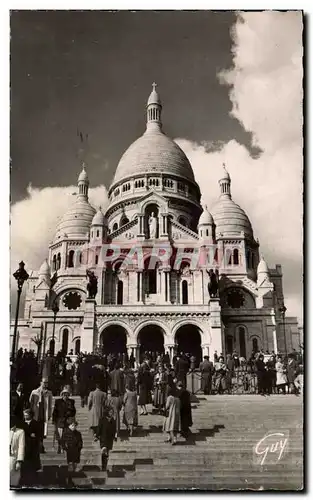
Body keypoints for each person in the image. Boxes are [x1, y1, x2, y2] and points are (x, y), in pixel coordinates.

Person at [29, 378, 53, 453]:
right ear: (41, 383)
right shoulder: (34, 392)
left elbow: (50, 405)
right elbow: (31, 402)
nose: (45, 384)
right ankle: (36, 447)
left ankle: (41, 447)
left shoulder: (49, 393)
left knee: (42, 432)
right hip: (36, 414)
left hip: (43, 414)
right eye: (44, 382)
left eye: (47, 382)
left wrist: (49, 414)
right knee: (35, 431)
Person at [20, 408, 41, 487]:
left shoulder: (35, 423)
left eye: (26, 415)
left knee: (33, 464)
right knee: (25, 464)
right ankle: (24, 480)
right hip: (24, 445)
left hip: (33, 446)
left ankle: (34, 480)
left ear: (31, 415)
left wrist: (35, 437)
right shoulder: (21, 423)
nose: (25, 416)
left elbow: (39, 434)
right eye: (24, 415)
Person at [52, 386, 76, 454]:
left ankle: (65, 446)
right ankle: (60, 446)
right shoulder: (58, 401)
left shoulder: (71, 401)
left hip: (68, 420)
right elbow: (55, 412)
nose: (65, 396)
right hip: (60, 420)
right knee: (59, 435)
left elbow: (74, 412)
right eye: (64, 394)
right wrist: (54, 421)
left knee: (67, 434)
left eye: (67, 394)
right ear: (62, 395)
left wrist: (70, 411)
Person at [61, 417, 83, 487]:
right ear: (69, 425)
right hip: (70, 451)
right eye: (72, 425)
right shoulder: (66, 433)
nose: (74, 427)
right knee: (70, 465)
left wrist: (79, 446)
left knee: (75, 465)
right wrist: (65, 448)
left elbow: (80, 441)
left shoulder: (78, 433)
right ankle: (70, 480)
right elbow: (62, 442)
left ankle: (72, 479)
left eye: (75, 425)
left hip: (76, 451)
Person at [10, 415, 25, 488]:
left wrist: (19, 461)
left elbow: (21, 446)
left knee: (13, 478)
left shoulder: (20, 432)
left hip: (13, 457)